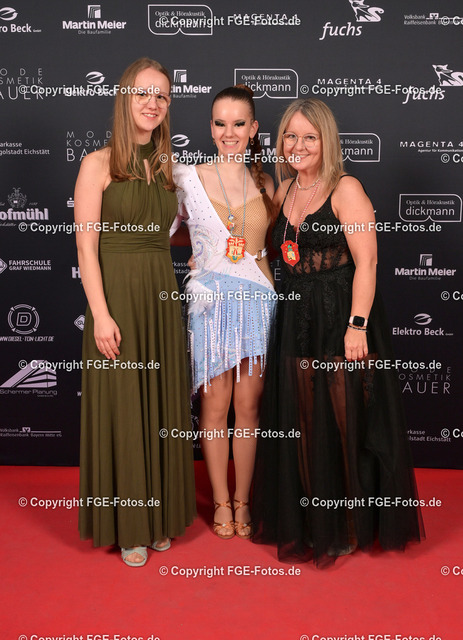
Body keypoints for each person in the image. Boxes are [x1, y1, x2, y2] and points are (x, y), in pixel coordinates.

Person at [251, 98, 425, 566]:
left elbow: (368, 262)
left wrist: (357, 325)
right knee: (307, 420)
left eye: (309, 137)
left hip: (341, 314)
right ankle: (315, 521)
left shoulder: (346, 189)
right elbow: (266, 249)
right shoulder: (284, 190)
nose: (299, 144)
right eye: (291, 136)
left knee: (346, 420)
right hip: (297, 316)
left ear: (326, 141)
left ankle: (348, 523)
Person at [75, 58, 196, 567]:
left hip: (159, 297)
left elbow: (178, 233)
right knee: (125, 407)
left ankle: (159, 518)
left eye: (162, 95)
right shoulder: (97, 164)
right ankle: (128, 526)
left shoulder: (168, 167)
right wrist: (101, 315)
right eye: (144, 92)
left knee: (159, 406)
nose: (152, 103)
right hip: (117, 299)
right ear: (125, 97)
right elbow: (86, 248)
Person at [171, 85, 275, 540]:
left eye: (238, 124)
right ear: (210, 127)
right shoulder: (188, 177)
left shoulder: (267, 183)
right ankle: (220, 501)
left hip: (257, 303)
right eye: (220, 123)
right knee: (214, 407)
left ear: (253, 129)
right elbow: (168, 233)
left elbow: (265, 250)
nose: (228, 132)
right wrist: (204, 251)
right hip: (211, 305)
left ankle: (243, 500)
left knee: (248, 407)